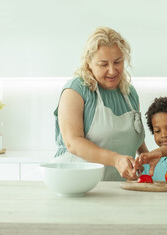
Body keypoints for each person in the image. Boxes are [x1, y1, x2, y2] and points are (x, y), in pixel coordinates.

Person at [53, 27, 148, 181]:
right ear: (89, 63)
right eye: (103, 64)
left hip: (119, 188)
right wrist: (116, 159)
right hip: (77, 184)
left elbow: (133, 135)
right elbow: (73, 143)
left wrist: (145, 157)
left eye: (118, 62)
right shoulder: (76, 90)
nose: (112, 71)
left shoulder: (129, 93)